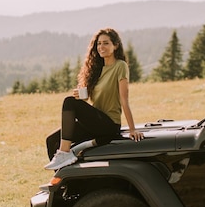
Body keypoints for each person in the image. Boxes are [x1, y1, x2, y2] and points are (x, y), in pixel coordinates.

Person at [44, 27, 143, 171]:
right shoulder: (97, 69)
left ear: (115, 46)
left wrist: (132, 129)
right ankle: (63, 178)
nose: (101, 47)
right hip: (96, 122)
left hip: (109, 124)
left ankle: (64, 152)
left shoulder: (120, 66)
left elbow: (124, 99)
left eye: (106, 43)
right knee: (51, 140)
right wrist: (82, 98)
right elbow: (95, 101)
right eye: (99, 44)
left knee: (69, 102)